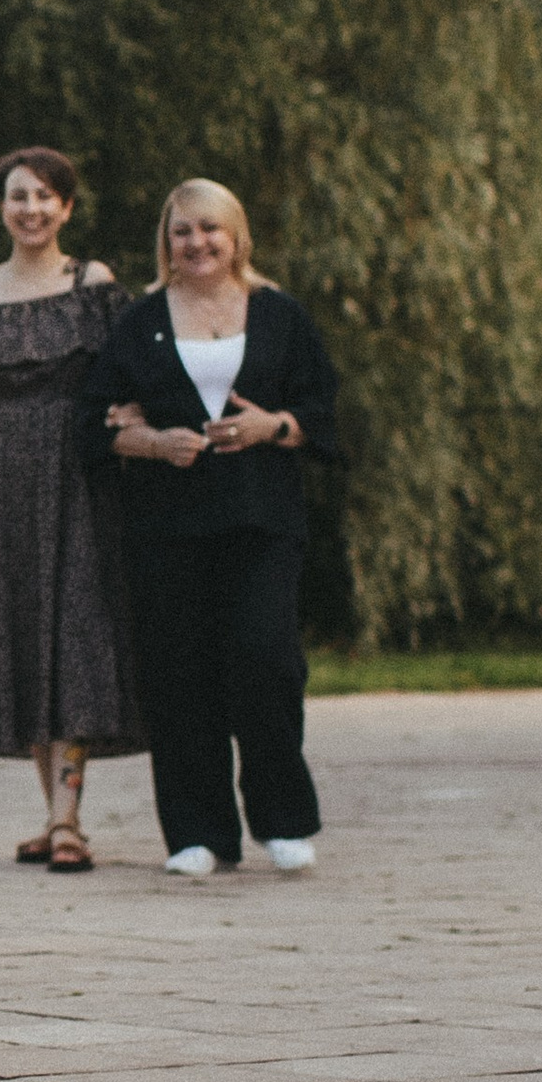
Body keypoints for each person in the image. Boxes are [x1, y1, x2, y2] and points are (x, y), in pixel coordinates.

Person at [81, 176, 340, 879]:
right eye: (182, 231)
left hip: (262, 522)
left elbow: (329, 414)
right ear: (166, 242)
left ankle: (283, 820)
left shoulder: (280, 314)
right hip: (167, 527)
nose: (196, 243)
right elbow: (91, 425)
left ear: (236, 237)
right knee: (178, 672)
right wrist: (154, 442)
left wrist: (273, 426)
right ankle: (196, 832)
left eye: (209, 229)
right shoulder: (139, 322)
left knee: (266, 661)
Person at [0, 146, 142, 873]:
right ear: (2, 208)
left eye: (47, 196)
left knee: (76, 635)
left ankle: (67, 817)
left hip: (81, 480)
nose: (32, 208)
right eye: (19, 196)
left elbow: (134, 379)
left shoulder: (96, 284)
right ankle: (54, 815)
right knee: (24, 636)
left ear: (68, 208)